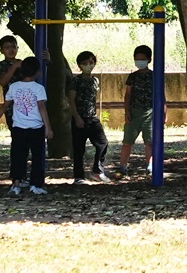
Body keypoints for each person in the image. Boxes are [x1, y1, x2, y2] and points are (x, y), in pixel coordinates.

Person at [6, 56, 51, 196]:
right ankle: (35, 185)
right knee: (37, 157)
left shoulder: (13, 86)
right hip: (36, 128)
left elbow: (5, 105)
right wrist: (48, 127)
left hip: (18, 128)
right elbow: (42, 108)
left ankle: (16, 184)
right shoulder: (39, 88)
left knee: (18, 156)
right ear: (37, 71)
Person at [66, 50, 110, 183]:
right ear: (79, 66)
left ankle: (97, 171)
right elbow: (71, 100)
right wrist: (77, 117)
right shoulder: (76, 81)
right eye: (85, 63)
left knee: (103, 143)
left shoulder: (95, 80)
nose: (88, 65)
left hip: (93, 117)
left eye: (91, 62)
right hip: (80, 118)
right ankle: (78, 177)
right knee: (79, 148)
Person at [114, 44, 154, 178]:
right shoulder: (132, 77)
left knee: (150, 141)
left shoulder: (155, 76)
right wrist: (127, 112)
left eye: (142, 58)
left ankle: (150, 167)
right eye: (137, 58)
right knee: (127, 141)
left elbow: (161, 94)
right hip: (134, 112)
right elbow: (128, 95)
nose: (139, 61)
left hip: (150, 112)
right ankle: (123, 167)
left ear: (149, 59)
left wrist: (164, 111)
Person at [0, 35, 22, 136]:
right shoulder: (2, 65)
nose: (11, 50)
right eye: (7, 47)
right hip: (11, 107)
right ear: (1, 50)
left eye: (13, 47)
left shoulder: (22, 63)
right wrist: (14, 67)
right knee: (16, 135)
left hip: (26, 106)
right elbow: (3, 81)